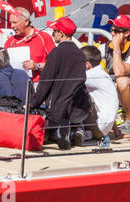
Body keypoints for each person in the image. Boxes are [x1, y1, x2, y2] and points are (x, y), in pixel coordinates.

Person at [30, 17, 89, 149]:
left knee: (43, 125)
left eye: (54, 31)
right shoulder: (81, 55)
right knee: (67, 113)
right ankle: (74, 130)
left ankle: (58, 131)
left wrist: (32, 103)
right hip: (79, 108)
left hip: (57, 109)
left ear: (61, 34)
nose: (52, 34)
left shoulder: (56, 53)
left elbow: (45, 82)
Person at [104, 14, 130, 127]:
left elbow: (119, 72)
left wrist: (117, 48)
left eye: (116, 31)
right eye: (111, 30)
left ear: (126, 33)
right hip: (114, 89)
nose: (112, 34)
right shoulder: (106, 47)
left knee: (122, 80)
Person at [4, 7, 54, 81]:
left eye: (14, 22)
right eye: (10, 23)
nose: (12, 26)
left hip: (39, 86)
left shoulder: (44, 38)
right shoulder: (10, 42)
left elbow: (56, 64)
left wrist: (37, 66)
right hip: (17, 86)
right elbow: (4, 67)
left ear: (26, 21)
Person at [81, 44, 119, 140]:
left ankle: (75, 129)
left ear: (87, 65)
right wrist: (116, 131)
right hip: (103, 130)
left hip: (97, 125)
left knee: (76, 93)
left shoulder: (90, 75)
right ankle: (85, 133)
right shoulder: (102, 74)